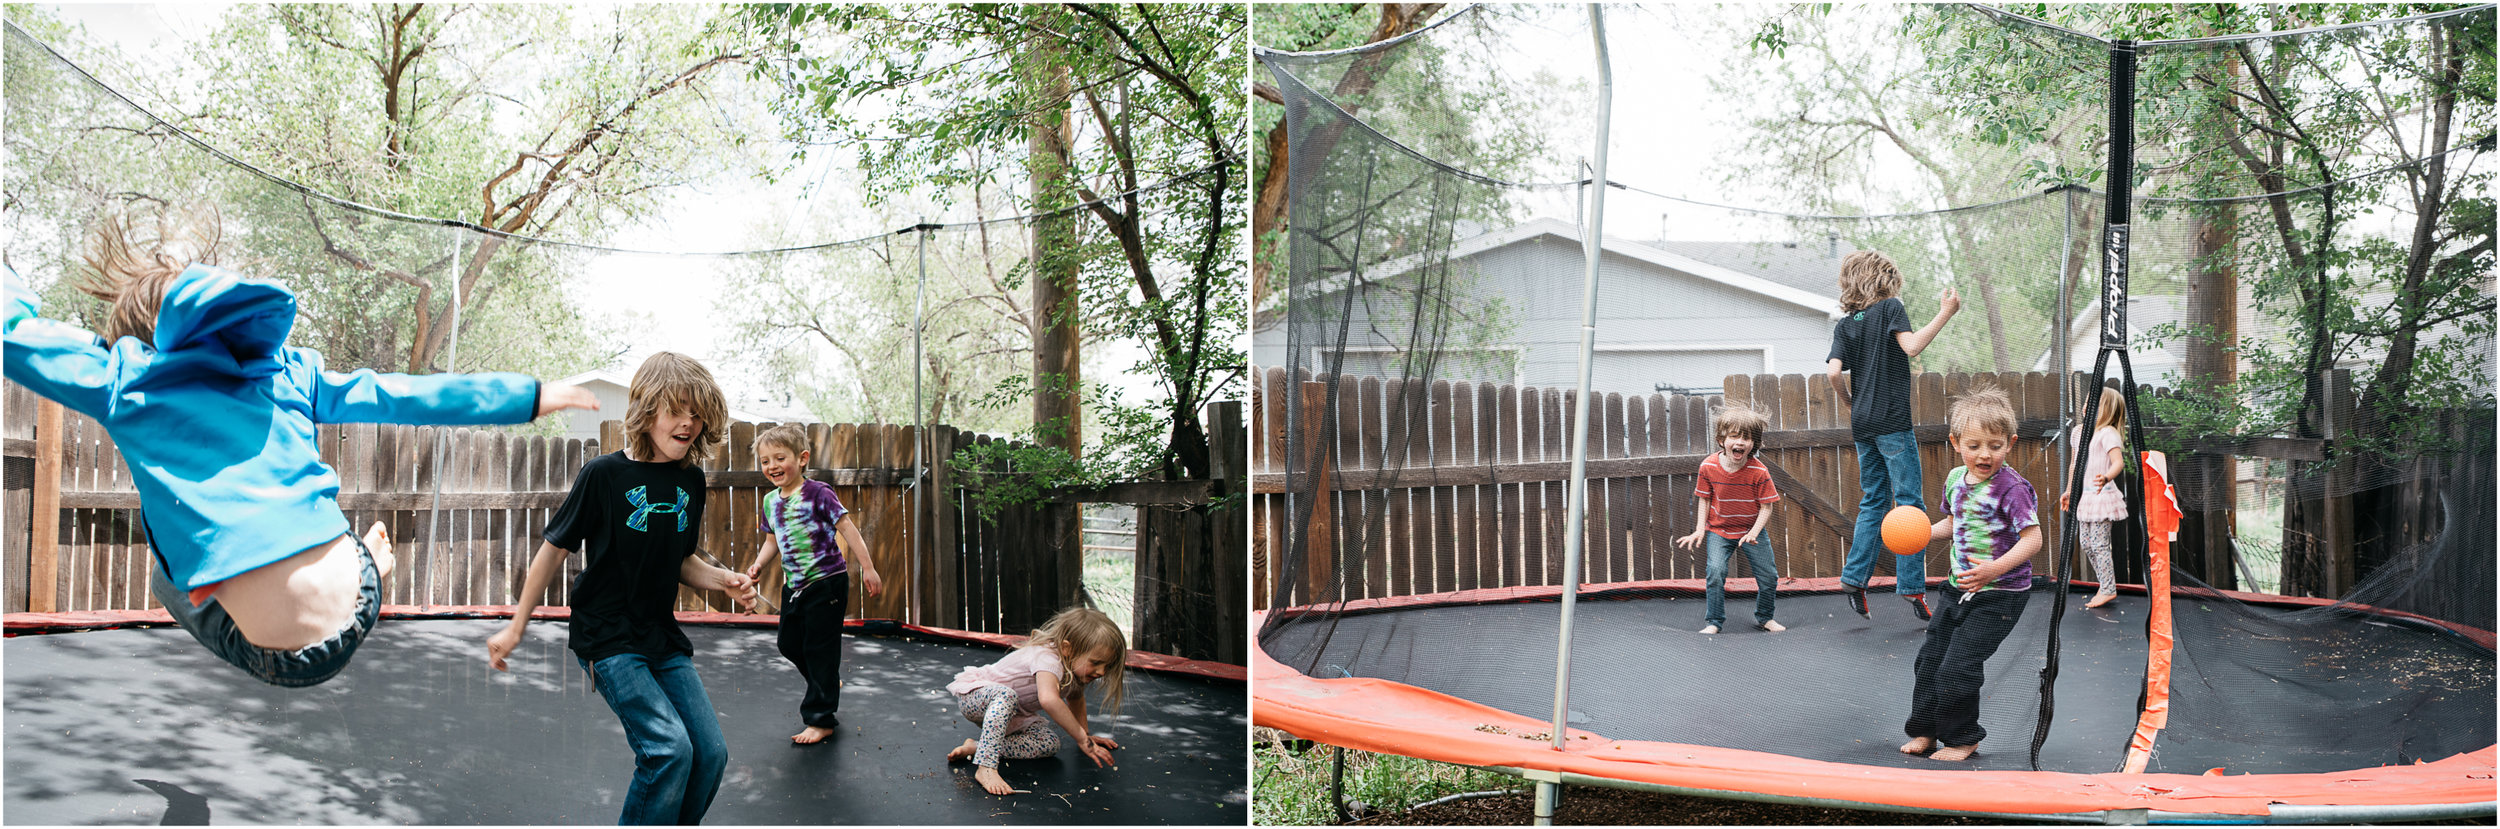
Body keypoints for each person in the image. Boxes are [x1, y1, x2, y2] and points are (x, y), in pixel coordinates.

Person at [0, 212, 595, 687]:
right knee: (302, 536)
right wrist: (534, 394)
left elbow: (12, 336)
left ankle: (273, 578)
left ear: (138, 339)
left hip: (287, 659)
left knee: (164, 579)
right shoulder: (286, 372)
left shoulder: (121, 381)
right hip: (358, 594)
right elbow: (408, 396)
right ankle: (371, 566)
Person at [485, 352, 758, 825]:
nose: (688, 423)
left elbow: (682, 562)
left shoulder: (690, 481)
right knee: (669, 750)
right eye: (677, 410)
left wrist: (724, 581)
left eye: (697, 414)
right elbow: (553, 550)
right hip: (608, 635)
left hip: (660, 636)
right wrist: (515, 627)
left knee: (710, 754)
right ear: (648, 410)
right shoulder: (604, 475)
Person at [1899, 385, 2040, 763]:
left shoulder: (2012, 489)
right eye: (1974, 445)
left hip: (2001, 595)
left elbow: (2034, 539)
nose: (1984, 454)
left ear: (2009, 443)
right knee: (1930, 660)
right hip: (1957, 588)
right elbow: (1953, 523)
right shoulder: (1955, 479)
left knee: (1958, 666)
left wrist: (1994, 568)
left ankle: (1963, 739)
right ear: (1956, 442)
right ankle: (1926, 730)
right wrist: (1924, 532)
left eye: (1994, 445)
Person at [1825, 249, 1960, 622]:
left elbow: (1834, 374)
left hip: (1863, 424)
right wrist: (1946, 313)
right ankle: (1913, 589)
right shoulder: (1890, 308)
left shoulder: (1846, 324)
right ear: (1886, 280)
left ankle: (1854, 578)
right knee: (1909, 505)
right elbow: (1912, 347)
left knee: (1873, 500)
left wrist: (1849, 401)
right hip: (1893, 421)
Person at [741, 424, 885, 745]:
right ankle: (826, 680)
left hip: (826, 583)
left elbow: (847, 529)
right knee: (788, 644)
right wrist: (759, 564)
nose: (772, 466)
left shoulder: (818, 493)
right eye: (765, 461)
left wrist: (868, 568)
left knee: (820, 648)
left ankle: (820, 719)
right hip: (795, 586)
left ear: (802, 458)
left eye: (780, 458)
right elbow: (771, 540)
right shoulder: (770, 502)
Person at [943, 606, 1127, 796]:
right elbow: (1048, 700)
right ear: (1067, 648)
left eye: (1107, 666)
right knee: (1006, 695)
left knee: (1049, 743)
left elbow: (1076, 697)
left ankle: (977, 747)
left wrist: (1085, 734)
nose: (1102, 672)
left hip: (1011, 715)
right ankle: (986, 767)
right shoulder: (1047, 659)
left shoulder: (1073, 671)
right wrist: (1082, 740)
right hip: (977, 697)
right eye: (1096, 663)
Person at [1674, 402, 1785, 634]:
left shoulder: (1759, 472)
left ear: (1753, 443)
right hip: (1719, 530)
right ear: (1721, 439)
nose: (1740, 442)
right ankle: (1714, 622)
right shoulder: (1708, 466)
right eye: (1734, 436)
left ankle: (1765, 617)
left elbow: (1767, 507)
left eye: (1746, 438)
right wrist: (1699, 529)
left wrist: (1754, 532)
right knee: (1715, 572)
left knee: (1769, 576)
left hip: (1751, 531)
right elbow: (1704, 499)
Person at [2064, 386, 2129, 609]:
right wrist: (2069, 490)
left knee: (2100, 544)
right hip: (2086, 498)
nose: (2087, 406)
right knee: (2087, 544)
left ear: (2108, 410)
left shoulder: (2107, 433)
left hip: (2102, 497)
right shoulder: (2078, 433)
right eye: (2087, 402)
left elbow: (2118, 462)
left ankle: (2108, 588)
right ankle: (2105, 585)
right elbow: (2075, 465)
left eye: (2095, 403)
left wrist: (2107, 477)